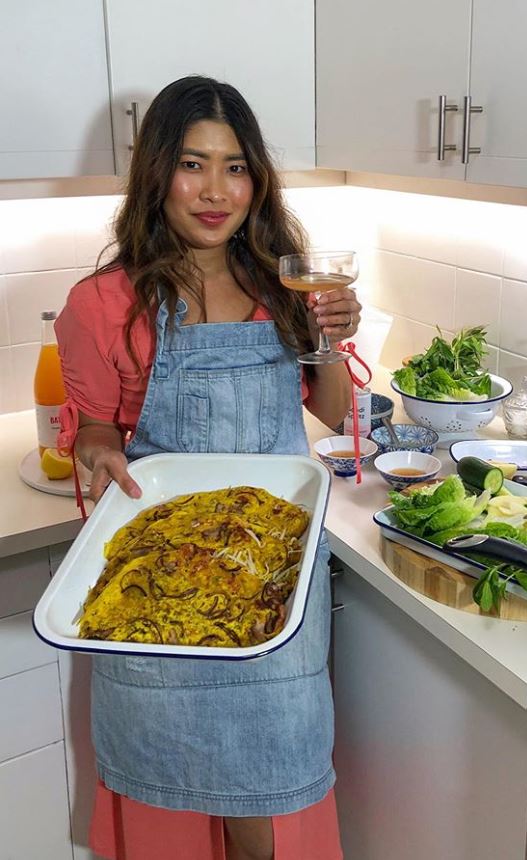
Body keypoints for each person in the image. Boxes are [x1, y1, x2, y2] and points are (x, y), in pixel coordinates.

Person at [55, 75, 362, 860]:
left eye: (235, 166)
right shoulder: (102, 302)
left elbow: (332, 414)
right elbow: (94, 428)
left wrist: (333, 334)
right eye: (193, 164)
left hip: (275, 584)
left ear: (256, 178)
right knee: (172, 799)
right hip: (160, 583)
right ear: (157, 172)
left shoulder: (282, 282)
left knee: (273, 783)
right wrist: (93, 445)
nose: (216, 190)